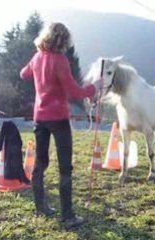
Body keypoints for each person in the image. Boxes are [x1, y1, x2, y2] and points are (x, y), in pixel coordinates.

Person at [20, 22, 102, 228]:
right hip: (59, 119)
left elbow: (23, 74)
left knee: (40, 164)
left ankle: (41, 207)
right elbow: (74, 92)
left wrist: (35, 69)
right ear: (64, 40)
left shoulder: (37, 57)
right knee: (65, 168)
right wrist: (94, 87)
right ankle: (67, 216)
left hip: (40, 118)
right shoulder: (60, 60)